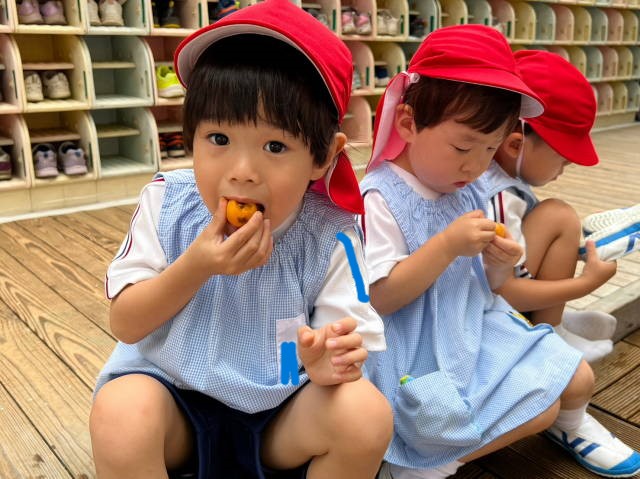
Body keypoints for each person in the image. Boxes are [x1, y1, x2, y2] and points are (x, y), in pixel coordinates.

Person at [89, 2, 393, 478]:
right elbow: (125, 323)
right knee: (120, 412)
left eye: (275, 146)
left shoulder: (330, 233)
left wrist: (325, 361)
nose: (242, 172)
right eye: (218, 139)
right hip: (176, 406)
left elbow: (347, 343)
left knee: (365, 415)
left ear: (323, 157)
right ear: (190, 135)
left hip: (279, 420)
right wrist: (195, 266)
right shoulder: (167, 203)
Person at [360, 25, 640, 479]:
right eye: (462, 146)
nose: (475, 165)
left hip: (471, 322)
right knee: (513, 410)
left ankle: (563, 427)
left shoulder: (466, 189)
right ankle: (425, 468)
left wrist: (498, 265)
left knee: (576, 380)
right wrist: (446, 245)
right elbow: (379, 298)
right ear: (408, 124)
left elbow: (489, 287)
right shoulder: (382, 197)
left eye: (489, 149)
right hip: (414, 343)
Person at [484, 50, 618, 363]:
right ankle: (549, 332)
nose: (564, 168)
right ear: (515, 143)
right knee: (559, 216)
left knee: (559, 218)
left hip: (492, 295)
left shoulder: (495, 174)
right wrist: (584, 285)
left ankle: (552, 320)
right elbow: (502, 291)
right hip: (486, 315)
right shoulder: (498, 196)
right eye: (562, 158)